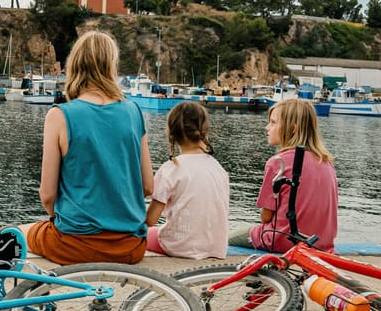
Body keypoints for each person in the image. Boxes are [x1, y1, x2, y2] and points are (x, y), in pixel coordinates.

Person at [22, 30, 153, 265]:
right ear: (111, 66)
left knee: (21, 233)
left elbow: (47, 194)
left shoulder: (59, 115)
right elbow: (147, 186)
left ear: (75, 65)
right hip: (130, 247)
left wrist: (57, 219)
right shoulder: (134, 111)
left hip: (73, 245)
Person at [228, 98, 338, 252]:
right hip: (320, 243)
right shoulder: (327, 163)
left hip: (283, 240)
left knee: (228, 238)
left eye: (273, 123)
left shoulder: (278, 163)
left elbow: (265, 218)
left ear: (292, 129)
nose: (267, 127)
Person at [145, 102, 230, 259]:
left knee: (146, 233)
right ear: (204, 130)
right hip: (216, 247)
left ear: (171, 133)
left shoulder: (171, 169)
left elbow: (150, 220)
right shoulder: (218, 169)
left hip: (180, 248)